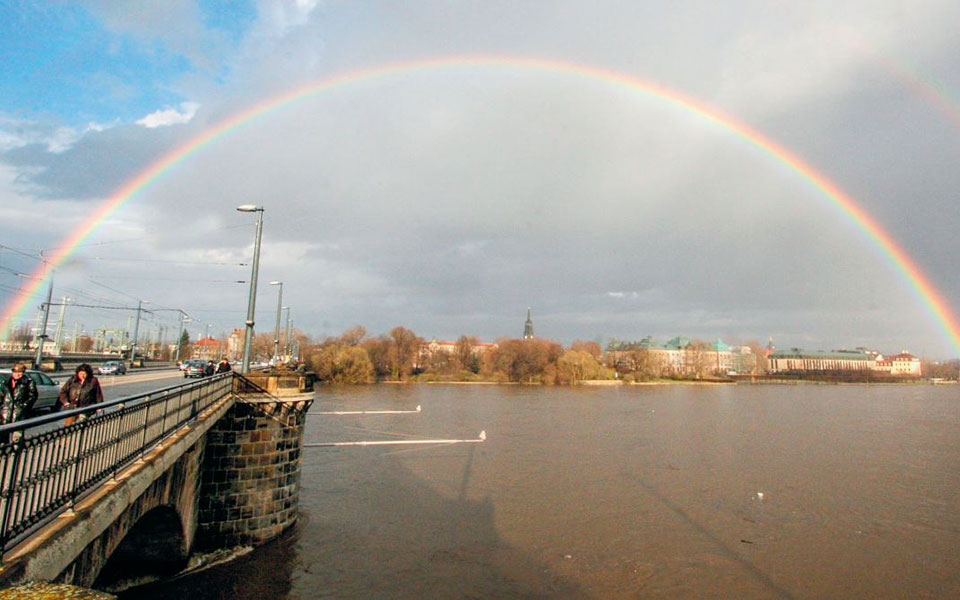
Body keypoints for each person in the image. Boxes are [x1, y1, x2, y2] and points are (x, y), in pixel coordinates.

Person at [0, 362, 38, 442]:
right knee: (2, 440)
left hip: (19, 415)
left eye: (20, 372)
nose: (17, 374)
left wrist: (23, 406)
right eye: (15, 372)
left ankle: (15, 453)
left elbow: (33, 396)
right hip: (5, 415)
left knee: (17, 439)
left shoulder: (28, 382)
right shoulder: (6, 382)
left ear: (23, 373)